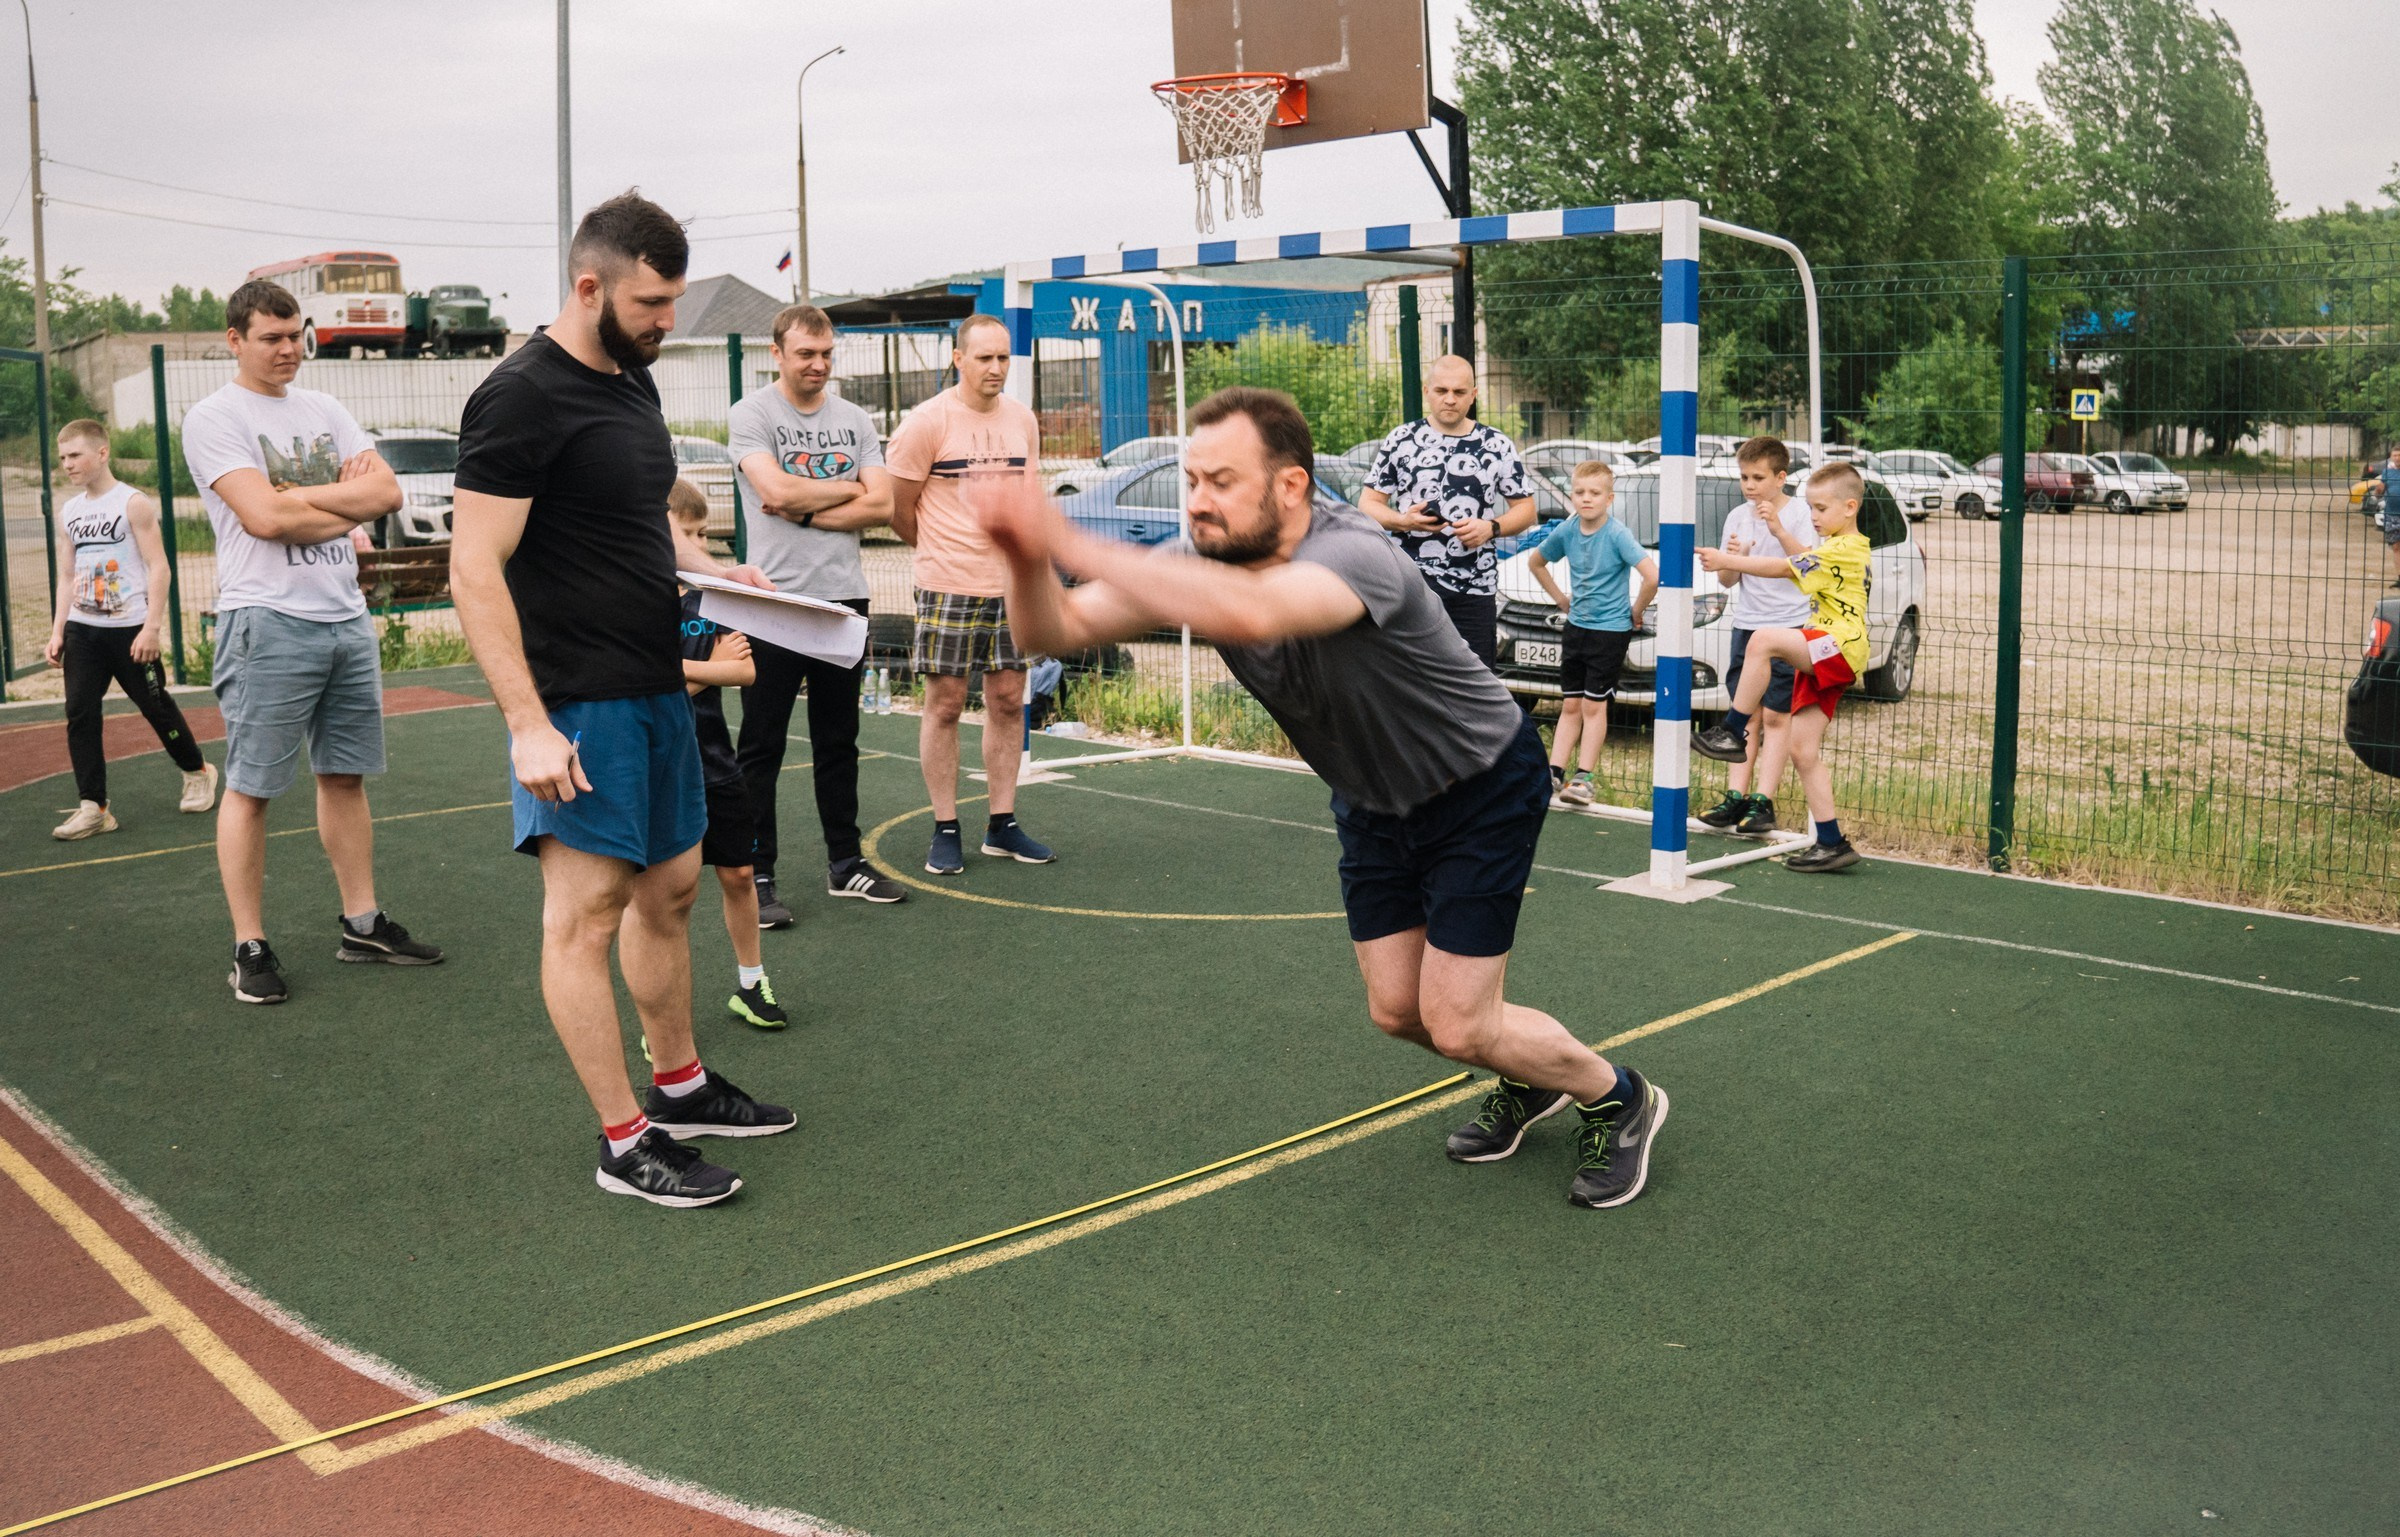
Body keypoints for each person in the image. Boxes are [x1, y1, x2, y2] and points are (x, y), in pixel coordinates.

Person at [979, 386, 1668, 1210]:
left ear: (1292, 487)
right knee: (1397, 1011)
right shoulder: (1203, 559)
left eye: (1220, 481)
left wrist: (1065, 534)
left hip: (1480, 782)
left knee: (1457, 1022)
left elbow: (1260, 609)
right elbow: (1048, 632)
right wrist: (1023, 557)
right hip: (1374, 800)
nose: (1197, 501)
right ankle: (1530, 1076)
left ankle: (1618, 1094)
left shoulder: (1356, 552)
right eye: (1191, 480)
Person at [450, 192, 794, 1209]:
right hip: (577, 698)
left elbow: (643, 522)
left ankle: (680, 1086)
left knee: (673, 890)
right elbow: (476, 568)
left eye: (674, 301)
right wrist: (527, 723)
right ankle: (623, 1139)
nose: (665, 322)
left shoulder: (633, 386)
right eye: (650, 302)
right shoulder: (518, 397)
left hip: (655, 684)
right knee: (586, 913)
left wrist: (722, 573)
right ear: (590, 285)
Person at [182, 279, 442, 1004]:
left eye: (296, 335)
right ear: (235, 340)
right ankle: (250, 946)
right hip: (266, 619)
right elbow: (263, 519)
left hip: (344, 618)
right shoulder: (213, 418)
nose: (288, 349)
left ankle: (362, 922)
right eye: (271, 337)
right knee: (253, 786)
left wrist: (298, 499)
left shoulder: (326, 408)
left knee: (345, 776)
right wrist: (320, 501)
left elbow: (387, 495)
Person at [728, 302, 903, 920]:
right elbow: (771, 489)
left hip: (842, 600)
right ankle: (757, 873)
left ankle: (844, 864)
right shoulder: (750, 415)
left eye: (827, 354)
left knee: (839, 741)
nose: (818, 365)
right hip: (772, 602)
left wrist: (806, 507)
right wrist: (846, 488)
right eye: (806, 354)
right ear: (776, 354)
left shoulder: (855, 419)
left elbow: (882, 504)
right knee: (761, 745)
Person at [886, 312, 1056, 876]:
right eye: (984, 357)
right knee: (946, 705)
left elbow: (1028, 503)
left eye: (1003, 358)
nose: (996, 368)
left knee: (1009, 701)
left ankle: (1001, 826)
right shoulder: (925, 423)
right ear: (958, 358)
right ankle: (946, 828)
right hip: (948, 587)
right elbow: (900, 512)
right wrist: (944, 552)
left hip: (1011, 588)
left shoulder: (1023, 420)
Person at [1691, 461, 1872, 872]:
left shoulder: (1843, 550)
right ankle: (1832, 843)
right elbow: (1801, 561)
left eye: (1821, 509)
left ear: (1849, 507)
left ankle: (1731, 730)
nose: (1814, 517)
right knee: (1802, 749)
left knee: (1765, 639)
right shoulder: (1836, 549)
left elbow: (1782, 568)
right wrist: (1778, 533)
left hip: (1837, 647)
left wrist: (1727, 560)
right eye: (1810, 509)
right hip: (1831, 649)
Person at [44, 418, 216, 840]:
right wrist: (57, 629)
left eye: (75, 455)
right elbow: (67, 576)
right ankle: (94, 807)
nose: (67, 464)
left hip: (131, 630)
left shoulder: (133, 503)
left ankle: (196, 770)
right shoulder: (70, 512)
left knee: (155, 707)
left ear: (101, 453)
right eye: (62, 457)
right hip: (84, 630)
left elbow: (159, 567)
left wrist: (152, 628)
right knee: (79, 712)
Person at [667, 480, 791, 1029]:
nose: (699, 547)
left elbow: (743, 671)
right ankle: (666, 1022)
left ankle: (750, 983)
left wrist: (675, 677)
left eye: (703, 535)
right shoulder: (634, 600)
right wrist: (697, 672)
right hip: (662, 765)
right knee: (671, 894)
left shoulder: (711, 598)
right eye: (687, 533)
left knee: (739, 874)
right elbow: (636, 687)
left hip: (716, 761)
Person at [1358, 354, 1538, 665]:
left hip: (1476, 588)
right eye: (1442, 391)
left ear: (1474, 395)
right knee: (1413, 682)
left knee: (1477, 687)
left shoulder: (1496, 444)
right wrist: (1402, 520)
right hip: (1412, 584)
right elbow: (1368, 503)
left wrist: (1490, 528)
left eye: (1459, 392)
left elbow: (1526, 509)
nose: (1450, 400)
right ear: (1427, 391)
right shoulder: (1402, 440)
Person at [1696, 436, 1816, 836]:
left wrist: (1776, 529)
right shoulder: (1737, 516)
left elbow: (1805, 568)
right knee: (1745, 713)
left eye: (1758, 477)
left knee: (1778, 715)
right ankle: (1735, 797)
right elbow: (1729, 579)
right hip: (1747, 623)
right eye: (1744, 477)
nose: (1749, 485)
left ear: (1781, 478)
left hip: (1788, 625)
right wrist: (1734, 557)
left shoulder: (1799, 514)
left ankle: (1762, 802)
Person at [1525, 460, 1656, 807]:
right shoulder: (1567, 531)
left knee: (1593, 706)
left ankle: (1584, 778)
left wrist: (1636, 611)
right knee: (1569, 704)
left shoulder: (1617, 534)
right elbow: (1535, 562)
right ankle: (1554, 772)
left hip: (1610, 633)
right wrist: (1560, 600)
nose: (1586, 499)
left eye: (1595, 493)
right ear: (1572, 495)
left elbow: (1652, 576)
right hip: (1576, 628)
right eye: (1580, 492)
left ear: (1609, 498)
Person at [2376, 446, 2400, 588]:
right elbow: (2379, 491)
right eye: (2395, 455)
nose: (2397, 458)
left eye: (2399, 455)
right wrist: (2378, 490)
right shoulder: (2387, 472)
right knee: (2396, 546)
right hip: (2392, 514)